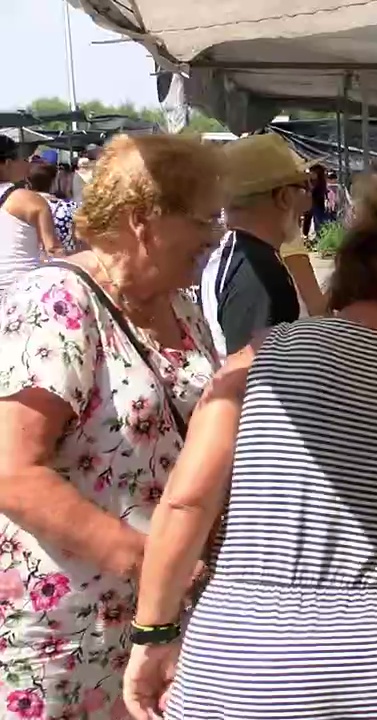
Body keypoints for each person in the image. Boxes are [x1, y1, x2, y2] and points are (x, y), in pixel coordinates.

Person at [122, 176, 377, 720]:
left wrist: (154, 631)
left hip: (249, 663)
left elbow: (187, 503)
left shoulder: (260, 356)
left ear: (343, 281)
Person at [0, 134, 222, 719]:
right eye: (203, 218)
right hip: (68, 632)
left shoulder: (182, 307)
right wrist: (148, 563)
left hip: (159, 618)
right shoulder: (56, 301)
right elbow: (14, 473)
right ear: (142, 220)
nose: (216, 235)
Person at [199, 134, 311, 358]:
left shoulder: (236, 255)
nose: (305, 200)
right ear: (284, 197)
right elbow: (254, 377)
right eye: (302, 187)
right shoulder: (259, 274)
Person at [0, 137, 61, 297]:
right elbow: (53, 250)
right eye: (22, 159)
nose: (27, 164)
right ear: (7, 163)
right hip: (21, 291)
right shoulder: (29, 200)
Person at [27, 160, 80, 254]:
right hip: (66, 260)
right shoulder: (70, 206)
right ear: (54, 181)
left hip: (33, 261)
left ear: (29, 182)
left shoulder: (21, 207)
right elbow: (79, 237)